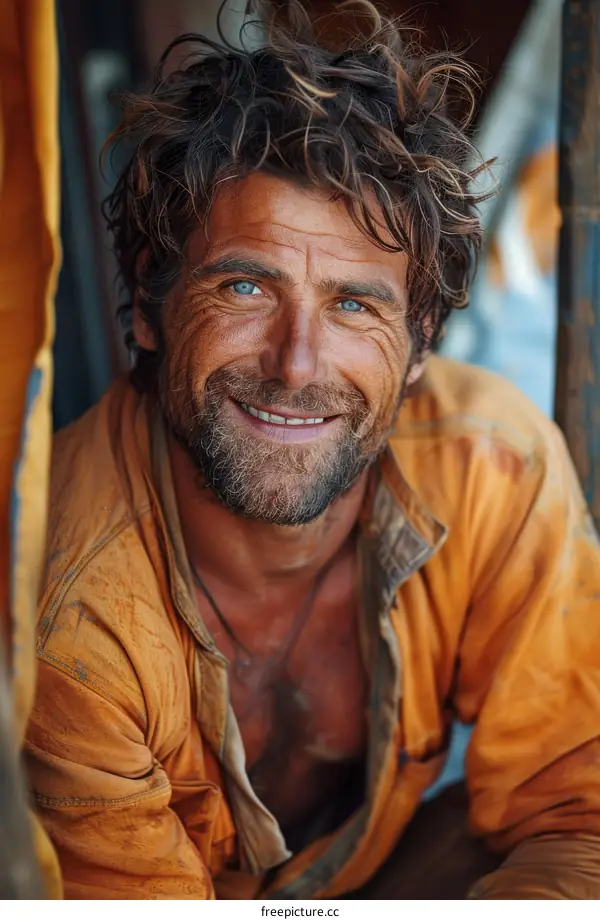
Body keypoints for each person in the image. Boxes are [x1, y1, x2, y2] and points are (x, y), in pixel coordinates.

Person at [25, 1, 600, 900]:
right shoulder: (70, 622)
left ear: (420, 341)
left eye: (354, 305)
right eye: (245, 287)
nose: (296, 366)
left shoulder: (492, 466)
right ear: (149, 305)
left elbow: (578, 819)